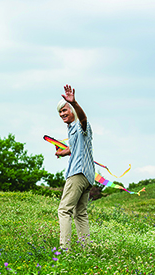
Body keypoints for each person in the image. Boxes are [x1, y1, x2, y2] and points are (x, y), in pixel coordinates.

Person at [55, 84, 95, 249]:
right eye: (60, 112)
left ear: (72, 110)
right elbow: (74, 147)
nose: (63, 114)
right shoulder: (72, 130)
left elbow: (83, 119)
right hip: (88, 176)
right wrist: (62, 153)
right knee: (80, 213)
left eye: (65, 110)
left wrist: (74, 102)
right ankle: (86, 249)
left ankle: (64, 249)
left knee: (64, 210)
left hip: (77, 173)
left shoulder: (80, 125)